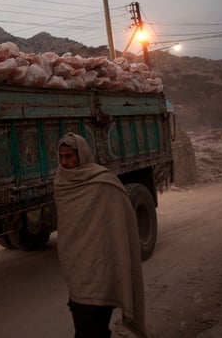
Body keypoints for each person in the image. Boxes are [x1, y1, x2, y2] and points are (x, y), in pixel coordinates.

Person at [53, 132, 147, 338]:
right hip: (76, 271)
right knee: (82, 325)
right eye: (61, 156)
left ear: (82, 155)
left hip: (100, 270)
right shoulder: (61, 182)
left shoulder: (103, 182)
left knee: (93, 328)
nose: (64, 162)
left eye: (69, 156)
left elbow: (122, 223)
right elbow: (68, 228)